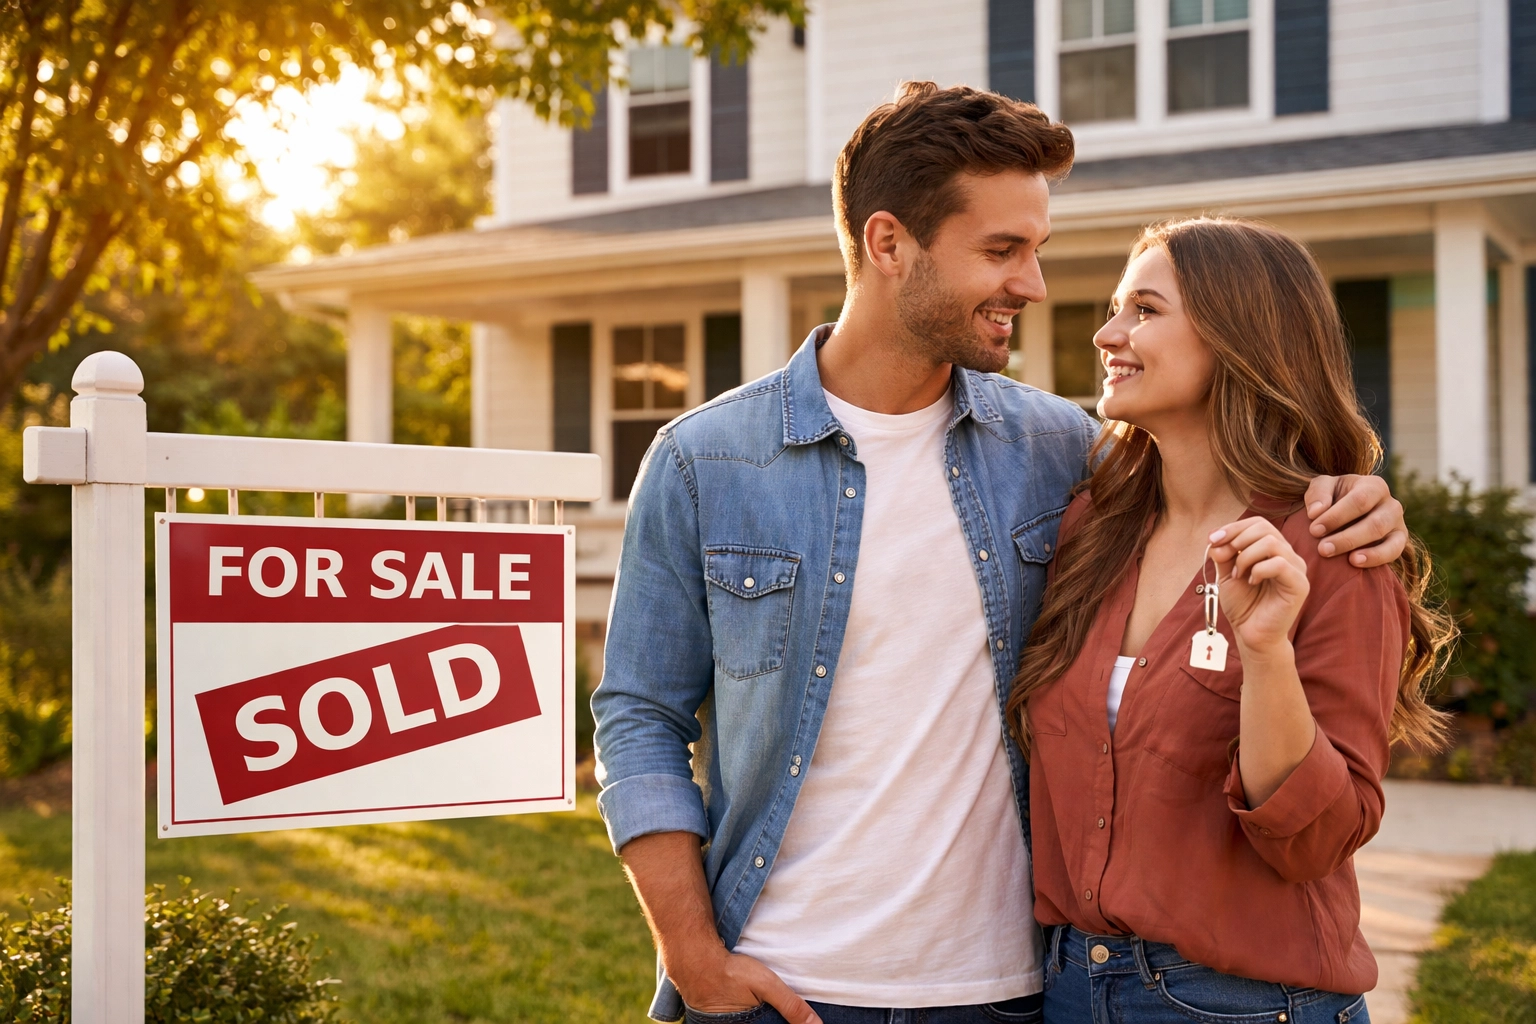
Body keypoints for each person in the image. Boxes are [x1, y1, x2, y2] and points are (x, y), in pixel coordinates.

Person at [592, 83, 1410, 1024]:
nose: (1034, 285)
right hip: (783, 984)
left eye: (1038, 249)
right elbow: (639, 715)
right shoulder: (705, 462)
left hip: (1013, 991)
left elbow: (1228, 475)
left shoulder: (1062, 453)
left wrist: (1352, 494)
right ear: (889, 244)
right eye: (1001, 250)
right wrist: (692, 954)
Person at [1011, 217, 1454, 1024]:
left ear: (1238, 337)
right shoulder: (1088, 531)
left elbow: (1319, 840)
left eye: (1145, 310)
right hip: (1071, 985)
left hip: (1241, 1002)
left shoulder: (1331, 552)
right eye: (1116, 309)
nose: (1108, 334)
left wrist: (1266, 651)